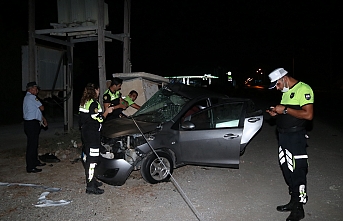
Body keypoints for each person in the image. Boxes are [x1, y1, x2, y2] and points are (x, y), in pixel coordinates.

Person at [266, 68, 314, 221]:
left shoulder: (304, 89)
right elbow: (286, 112)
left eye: (278, 84)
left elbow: (308, 114)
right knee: (287, 168)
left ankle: (299, 208)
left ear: (285, 78)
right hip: (283, 136)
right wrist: (276, 113)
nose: (278, 88)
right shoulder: (285, 92)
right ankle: (293, 201)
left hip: (296, 137)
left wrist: (285, 110)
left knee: (297, 170)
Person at [79, 83, 114, 194]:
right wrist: (107, 112)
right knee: (92, 161)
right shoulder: (93, 103)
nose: (99, 92)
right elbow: (99, 119)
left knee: (93, 157)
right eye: (98, 90)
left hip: (86, 133)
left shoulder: (85, 101)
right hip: (92, 134)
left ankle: (92, 180)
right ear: (95, 91)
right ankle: (90, 186)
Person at [23, 82, 48, 173]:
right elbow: (42, 108)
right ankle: (30, 166)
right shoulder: (32, 97)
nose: (37, 91)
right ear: (31, 89)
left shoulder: (27, 98)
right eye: (36, 89)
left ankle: (35, 161)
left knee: (34, 144)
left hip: (31, 123)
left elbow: (36, 111)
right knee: (32, 145)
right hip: (31, 123)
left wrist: (43, 119)